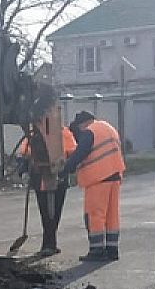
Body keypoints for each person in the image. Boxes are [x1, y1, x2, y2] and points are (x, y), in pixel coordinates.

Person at [62, 110, 125, 262]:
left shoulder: (90, 132)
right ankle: (112, 249)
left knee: (94, 214)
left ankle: (96, 250)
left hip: (98, 178)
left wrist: (65, 169)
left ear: (82, 124)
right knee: (111, 215)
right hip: (115, 176)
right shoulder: (108, 128)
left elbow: (80, 153)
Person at [18, 124, 76, 256]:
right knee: (50, 212)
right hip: (44, 176)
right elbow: (24, 154)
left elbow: (71, 154)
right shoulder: (36, 135)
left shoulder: (62, 133)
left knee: (51, 212)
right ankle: (49, 244)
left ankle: (49, 243)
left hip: (54, 176)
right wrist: (24, 171)